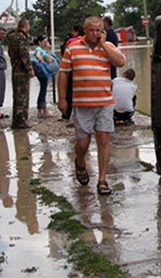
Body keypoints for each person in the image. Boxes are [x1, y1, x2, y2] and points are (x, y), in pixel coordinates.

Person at [57, 16, 126, 194]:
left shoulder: (108, 47)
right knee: (83, 143)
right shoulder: (73, 48)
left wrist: (103, 45)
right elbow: (63, 73)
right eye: (92, 30)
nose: (95, 33)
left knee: (104, 139)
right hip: (82, 103)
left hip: (104, 102)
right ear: (85, 30)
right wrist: (62, 99)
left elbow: (120, 62)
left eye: (99, 30)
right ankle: (80, 162)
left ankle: (102, 180)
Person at [6, 18, 35, 129]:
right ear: (26, 26)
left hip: (15, 69)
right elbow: (24, 55)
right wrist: (29, 68)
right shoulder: (22, 38)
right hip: (22, 71)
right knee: (23, 96)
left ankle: (16, 120)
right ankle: (22, 121)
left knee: (16, 96)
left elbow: (10, 52)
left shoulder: (12, 38)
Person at [61, 25, 85, 120]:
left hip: (71, 70)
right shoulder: (87, 41)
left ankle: (67, 114)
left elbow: (65, 55)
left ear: (76, 31)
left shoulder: (70, 42)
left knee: (69, 92)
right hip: (82, 71)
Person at [31, 35, 58, 118]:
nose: (46, 43)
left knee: (43, 89)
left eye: (47, 41)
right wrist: (43, 63)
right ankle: (43, 110)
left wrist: (48, 47)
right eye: (44, 42)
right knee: (43, 90)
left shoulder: (42, 49)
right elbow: (39, 56)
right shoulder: (38, 49)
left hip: (43, 72)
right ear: (39, 42)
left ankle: (41, 109)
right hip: (42, 72)